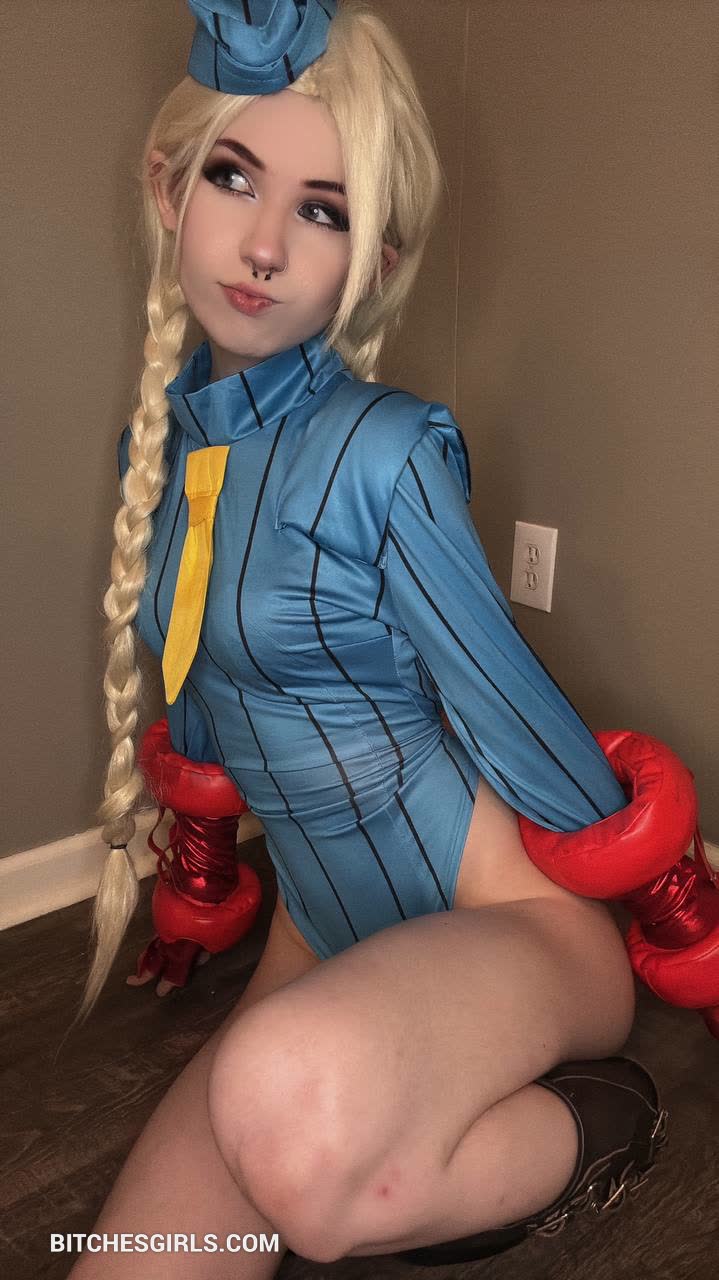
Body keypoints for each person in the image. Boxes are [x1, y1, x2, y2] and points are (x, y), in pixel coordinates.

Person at [68, 3, 669, 1275]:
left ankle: (598, 1124)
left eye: (323, 210)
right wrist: (198, 877)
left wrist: (674, 902)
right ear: (167, 188)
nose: (266, 243)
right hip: (322, 936)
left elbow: (512, 713)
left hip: (515, 926)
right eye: (234, 178)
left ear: (372, 260)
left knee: (308, 1156)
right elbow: (213, 708)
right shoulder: (154, 459)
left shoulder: (385, 450)